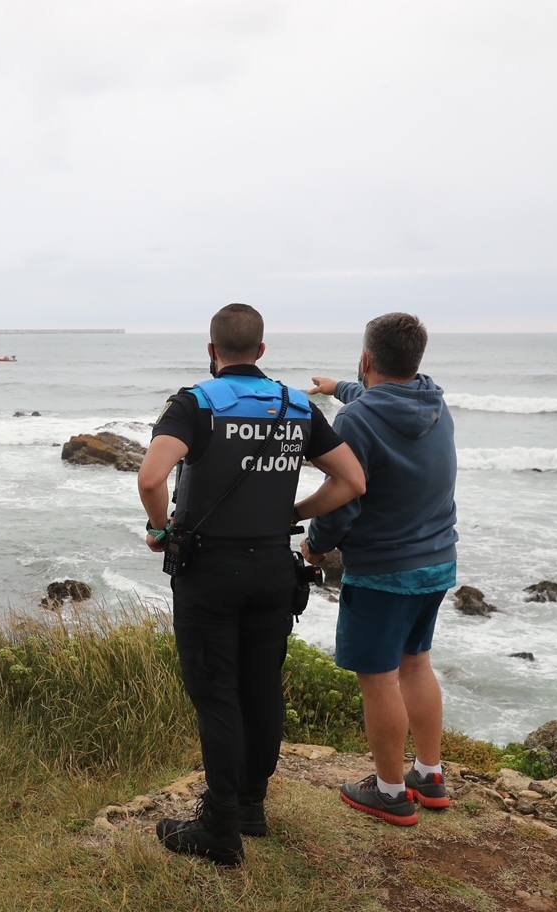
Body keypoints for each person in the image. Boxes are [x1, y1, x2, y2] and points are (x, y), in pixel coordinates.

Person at [136, 303, 366, 865]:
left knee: (216, 693)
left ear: (211, 351)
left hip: (209, 573)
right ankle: (250, 807)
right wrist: (295, 513)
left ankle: (219, 826)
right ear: (261, 351)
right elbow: (352, 480)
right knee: (261, 687)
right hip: (271, 569)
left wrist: (161, 529)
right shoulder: (295, 405)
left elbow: (151, 476)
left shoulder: (194, 404)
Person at [304, 313, 458, 827]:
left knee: (379, 679)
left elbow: (343, 502)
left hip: (383, 571)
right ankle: (429, 775)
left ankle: (390, 792)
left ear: (367, 358)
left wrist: (315, 546)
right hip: (436, 562)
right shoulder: (435, 400)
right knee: (417, 663)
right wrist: (338, 387)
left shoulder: (355, 422)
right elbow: (379, 397)